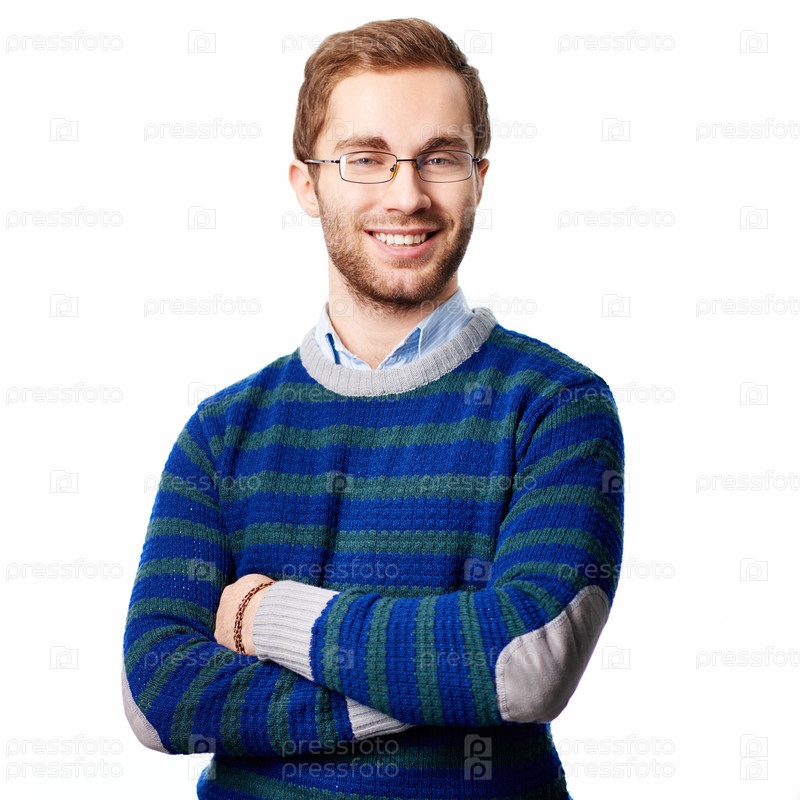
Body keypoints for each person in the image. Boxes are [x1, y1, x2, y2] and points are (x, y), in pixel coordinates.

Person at [122, 17, 624, 799]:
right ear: (307, 184)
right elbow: (159, 698)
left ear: (479, 179)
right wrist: (435, 685)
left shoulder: (556, 407)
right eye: (365, 159)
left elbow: (521, 665)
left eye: (439, 158)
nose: (407, 195)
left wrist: (264, 614)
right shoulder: (223, 432)